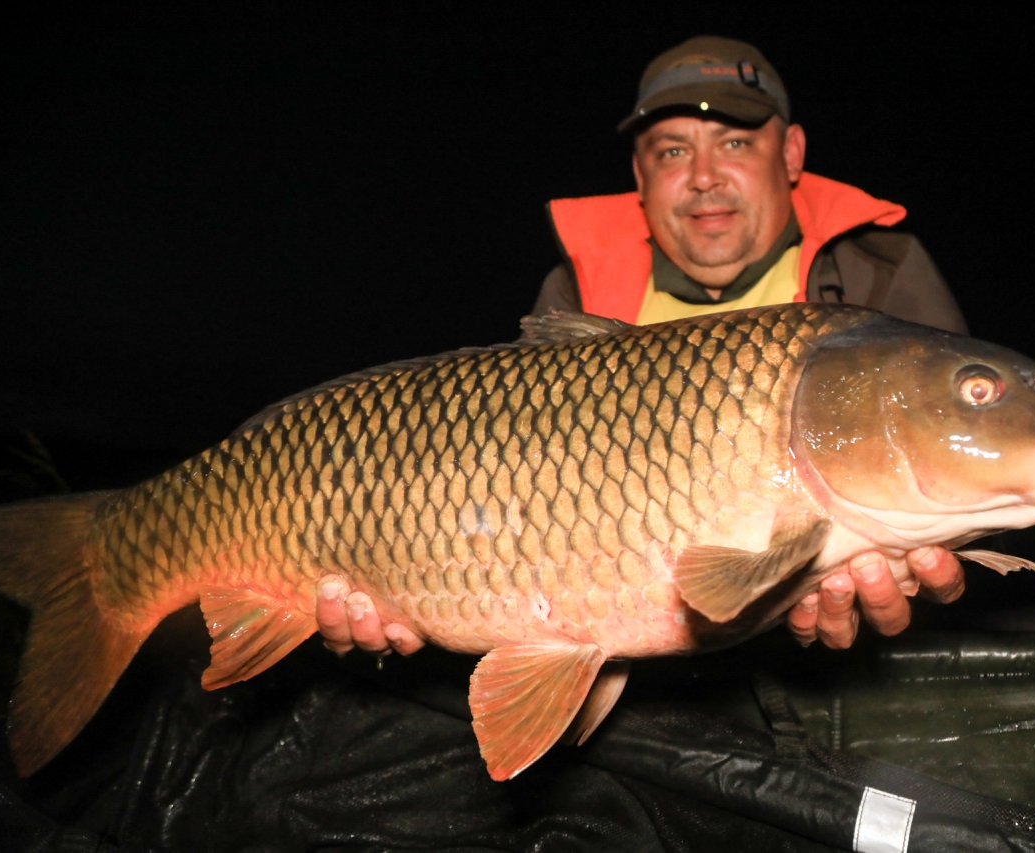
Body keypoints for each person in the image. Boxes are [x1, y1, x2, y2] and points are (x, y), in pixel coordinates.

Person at [316, 36, 968, 658]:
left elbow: (950, 499)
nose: (704, 177)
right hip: (601, 619)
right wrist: (397, 586)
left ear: (792, 152)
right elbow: (513, 509)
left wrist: (932, 578)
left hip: (821, 664)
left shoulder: (877, 280)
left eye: (735, 142)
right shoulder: (575, 294)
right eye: (673, 152)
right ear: (639, 173)